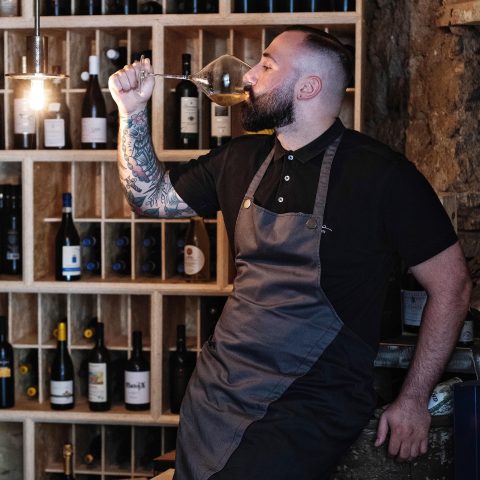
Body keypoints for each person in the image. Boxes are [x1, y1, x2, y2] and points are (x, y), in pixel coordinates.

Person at [109, 26, 472, 480]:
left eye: (266, 65)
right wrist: (132, 112)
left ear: (308, 87)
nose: (248, 76)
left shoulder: (383, 176)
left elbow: (453, 287)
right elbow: (149, 198)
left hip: (310, 404)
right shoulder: (239, 159)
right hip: (216, 392)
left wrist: (414, 399)